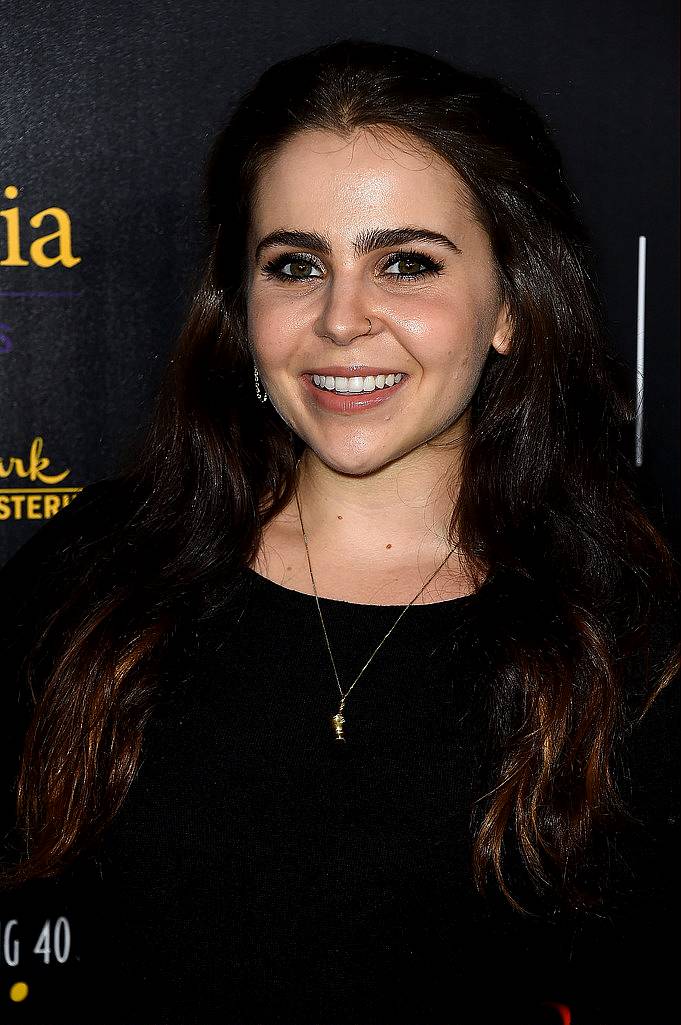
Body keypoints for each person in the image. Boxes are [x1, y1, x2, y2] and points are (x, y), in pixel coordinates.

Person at [0, 38, 678, 1025]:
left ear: (508, 306)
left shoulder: (630, 622)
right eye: (295, 264)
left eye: (406, 262)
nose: (341, 318)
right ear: (242, 307)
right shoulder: (98, 574)